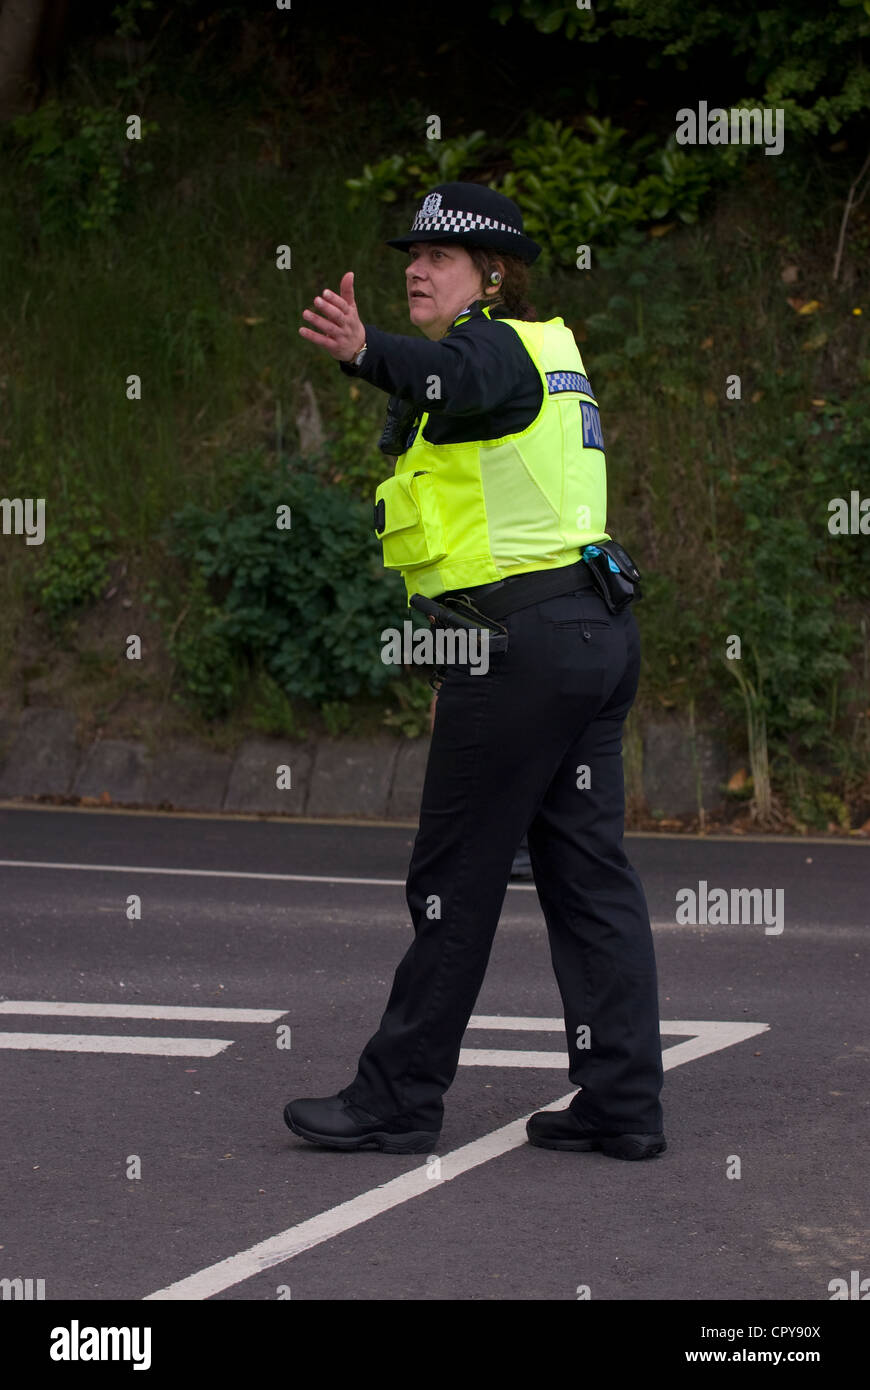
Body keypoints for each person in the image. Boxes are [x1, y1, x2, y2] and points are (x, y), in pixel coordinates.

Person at [285, 181, 666, 1161]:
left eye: (440, 257)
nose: (417, 266)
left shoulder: (491, 346)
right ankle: (623, 1098)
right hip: (592, 635)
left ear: (491, 275)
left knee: (455, 880)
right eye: (411, 252)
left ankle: (400, 1096)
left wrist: (366, 350)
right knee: (588, 877)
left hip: (523, 652)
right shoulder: (545, 348)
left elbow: (447, 377)